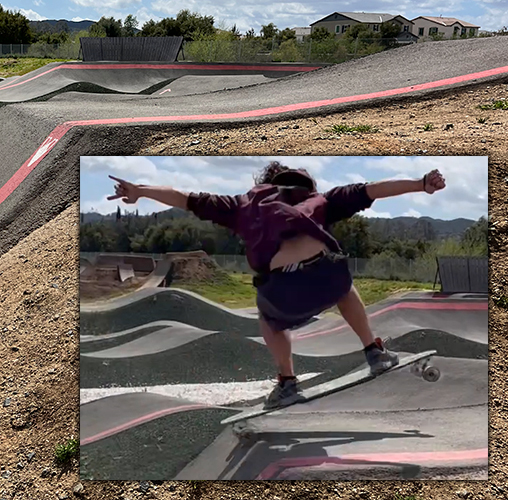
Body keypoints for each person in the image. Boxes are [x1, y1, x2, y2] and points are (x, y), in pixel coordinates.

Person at [107, 161, 447, 408]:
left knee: (267, 318)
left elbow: (184, 198)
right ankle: (374, 351)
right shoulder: (324, 200)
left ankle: (286, 382)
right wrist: (421, 183)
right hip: (326, 279)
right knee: (344, 285)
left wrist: (140, 191)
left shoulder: (240, 207)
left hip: (282, 294)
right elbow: (373, 189)